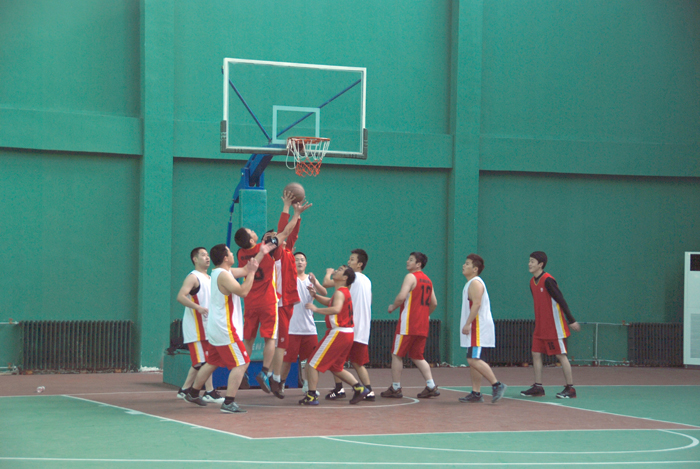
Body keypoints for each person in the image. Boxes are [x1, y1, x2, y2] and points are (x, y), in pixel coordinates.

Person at [182, 243, 273, 413]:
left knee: (212, 362)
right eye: (230, 253)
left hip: (216, 327)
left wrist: (262, 253)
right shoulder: (223, 275)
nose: (232, 254)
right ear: (225, 258)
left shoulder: (220, 272)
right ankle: (229, 402)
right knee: (243, 362)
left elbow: (245, 269)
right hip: (225, 328)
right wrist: (252, 273)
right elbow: (243, 291)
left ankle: (193, 393)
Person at [233, 200, 311, 393]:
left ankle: (243, 371)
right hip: (269, 301)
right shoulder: (268, 250)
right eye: (252, 231)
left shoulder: (241, 253)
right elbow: (285, 231)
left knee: (248, 340)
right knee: (271, 339)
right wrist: (293, 212)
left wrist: (292, 212)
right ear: (255, 240)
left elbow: (287, 234)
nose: (254, 231)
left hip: (250, 301)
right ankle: (266, 372)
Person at [300, 265, 369, 406]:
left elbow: (336, 309)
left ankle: (311, 396)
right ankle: (359, 388)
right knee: (336, 367)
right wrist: (315, 296)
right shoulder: (342, 291)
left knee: (312, 364)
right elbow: (329, 302)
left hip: (339, 333)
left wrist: (316, 309)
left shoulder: (340, 292)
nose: (336, 271)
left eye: (340, 270)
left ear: (344, 278)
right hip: (347, 334)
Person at [521, 251, 580, 399]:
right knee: (535, 353)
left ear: (540, 264)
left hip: (554, 326)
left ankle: (570, 388)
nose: (529, 264)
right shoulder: (532, 282)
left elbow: (561, 300)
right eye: (529, 261)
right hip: (540, 326)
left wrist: (571, 320)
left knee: (561, 355)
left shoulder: (548, 280)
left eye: (532, 261)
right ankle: (538, 387)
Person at [381, 252, 439, 399]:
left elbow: (401, 297)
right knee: (417, 356)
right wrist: (425, 314)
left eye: (411, 260)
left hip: (408, 324)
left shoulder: (411, 277)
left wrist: (393, 306)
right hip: (422, 324)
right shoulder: (428, 280)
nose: (407, 261)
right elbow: (434, 303)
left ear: (418, 264)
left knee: (397, 354)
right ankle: (431, 385)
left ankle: (396, 388)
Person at [322, 249, 374, 401]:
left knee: (335, 360)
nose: (348, 262)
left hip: (348, 327)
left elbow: (326, 283)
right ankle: (369, 390)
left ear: (359, 264)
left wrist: (328, 273)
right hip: (363, 328)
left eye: (352, 259)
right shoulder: (367, 281)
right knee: (358, 363)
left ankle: (341, 388)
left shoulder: (352, 278)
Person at [458, 254, 507, 404]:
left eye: (467, 264)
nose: (464, 265)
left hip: (478, 326)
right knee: (474, 360)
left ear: (475, 269)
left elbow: (477, 304)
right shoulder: (470, 283)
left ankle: (497, 384)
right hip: (475, 326)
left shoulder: (475, 283)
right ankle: (476, 393)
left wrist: (468, 323)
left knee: (473, 359)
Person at [175, 247, 222, 403]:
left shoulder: (210, 278)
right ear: (195, 259)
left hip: (209, 326)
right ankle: (209, 391)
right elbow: (180, 297)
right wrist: (198, 308)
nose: (207, 258)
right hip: (196, 327)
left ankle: (185, 390)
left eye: (208, 255)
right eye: (203, 255)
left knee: (202, 362)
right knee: (204, 362)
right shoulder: (193, 277)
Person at [269, 191, 303, 398]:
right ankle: (274, 378)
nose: (280, 235)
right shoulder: (277, 253)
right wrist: (287, 208)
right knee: (281, 344)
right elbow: (284, 230)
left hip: (289, 302)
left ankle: (273, 376)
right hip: (280, 302)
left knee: (283, 344)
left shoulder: (288, 250)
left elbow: (292, 233)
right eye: (274, 236)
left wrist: (298, 215)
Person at [280, 252, 327, 394]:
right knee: (287, 360)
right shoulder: (288, 278)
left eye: (302, 260)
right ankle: (280, 384)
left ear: (306, 263)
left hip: (309, 329)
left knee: (310, 361)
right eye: (296, 260)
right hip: (292, 328)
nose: (299, 262)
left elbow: (324, 293)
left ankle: (308, 385)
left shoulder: (311, 279)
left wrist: (315, 283)